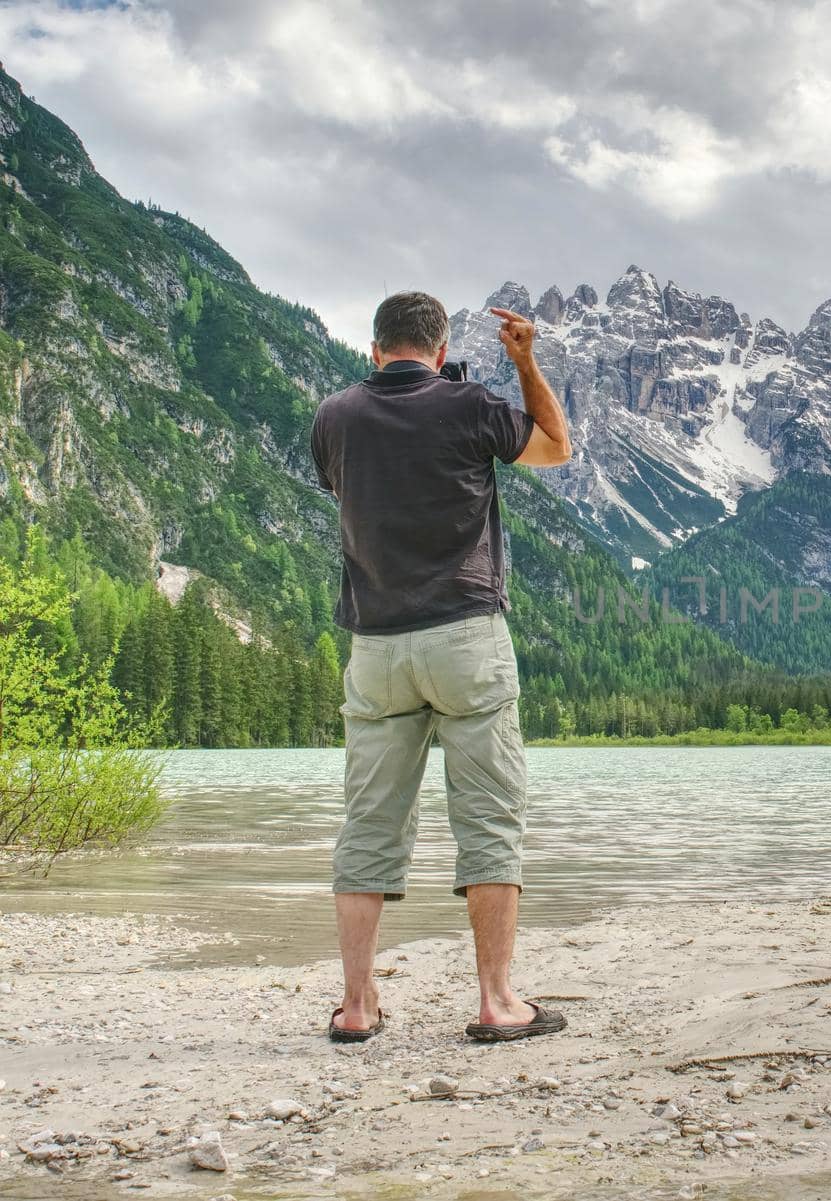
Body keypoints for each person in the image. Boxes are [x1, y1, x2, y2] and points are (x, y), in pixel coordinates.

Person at [311, 290, 572, 1043]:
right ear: (441, 344)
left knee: (368, 824)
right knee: (488, 816)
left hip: (377, 643)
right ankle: (496, 1001)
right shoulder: (468, 404)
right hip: (464, 636)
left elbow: (350, 488)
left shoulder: (334, 416)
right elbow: (556, 446)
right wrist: (524, 360)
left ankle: (358, 1007)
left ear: (374, 349)